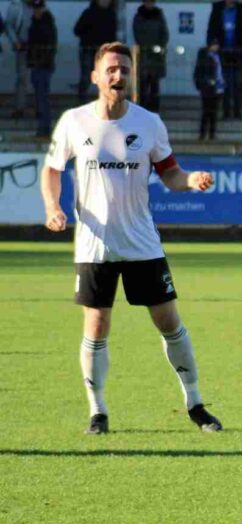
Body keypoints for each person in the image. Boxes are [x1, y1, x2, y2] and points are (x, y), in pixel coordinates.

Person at [41, 42, 223, 435]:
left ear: (132, 75)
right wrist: (53, 208)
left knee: (168, 321)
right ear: (95, 76)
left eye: (124, 69)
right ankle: (98, 412)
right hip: (95, 244)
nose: (118, 75)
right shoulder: (74, 121)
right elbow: (52, 169)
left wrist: (191, 181)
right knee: (96, 324)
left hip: (141, 243)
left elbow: (171, 174)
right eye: (110, 69)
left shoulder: (149, 123)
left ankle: (195, 404)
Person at [207, 0, 242, 120]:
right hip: (222, 52)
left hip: (238, 52)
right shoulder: (217, 9)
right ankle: (226, 112)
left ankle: (238, 111)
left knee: (238, 82)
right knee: (225, 83)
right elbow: (211, 29)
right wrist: (212, 43)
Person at [73, 0, 117, 103]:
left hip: (104, 53)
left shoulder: (111, 14)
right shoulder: (89, 13)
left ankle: (106, 103)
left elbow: (113, 34)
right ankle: (81, 103)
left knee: (105, 79)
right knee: (86, 78)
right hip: (88, 50)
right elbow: (77, 30)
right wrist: (90, 37)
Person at [133, 0, 169, 112]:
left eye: (151, 2)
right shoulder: (139, 15)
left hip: (156, 56)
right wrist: (146, 46)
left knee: (155, 84)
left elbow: (165, 33)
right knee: (143, 83)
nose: (150, 4)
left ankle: (155, 109)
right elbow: (137, 33)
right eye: (148, 2)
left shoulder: (159, 15)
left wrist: (160, 46)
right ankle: (142, 108)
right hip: (144, 54)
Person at [25, 0, 54, 138]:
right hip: (37, 64)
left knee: (42, 97)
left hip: (43, 65)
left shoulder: (46, 24)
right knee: (39, 97)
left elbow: (48, 46)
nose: (36, 11)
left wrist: (39, 60)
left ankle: (44, 128)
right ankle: (43, 127)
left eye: (39, 9)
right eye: (35, 9)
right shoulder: (37, 23)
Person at [5, 0, 31, 119]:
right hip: (22, 46)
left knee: (38, 79)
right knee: (22, 78)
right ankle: (20, 107)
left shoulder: (39, 5)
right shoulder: (15, 6)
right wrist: (15, 41)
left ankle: (35, 106)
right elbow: (9, 26)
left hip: (37, 47)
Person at [194, 41, 224, 140]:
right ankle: (203, 134)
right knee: (206, 111)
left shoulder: (218, 56)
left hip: (217, 87)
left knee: (214, 112)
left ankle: (212, 134)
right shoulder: (203, 55)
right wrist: (202, 84)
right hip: (207, 87)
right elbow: (199, 71)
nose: (217, 47)